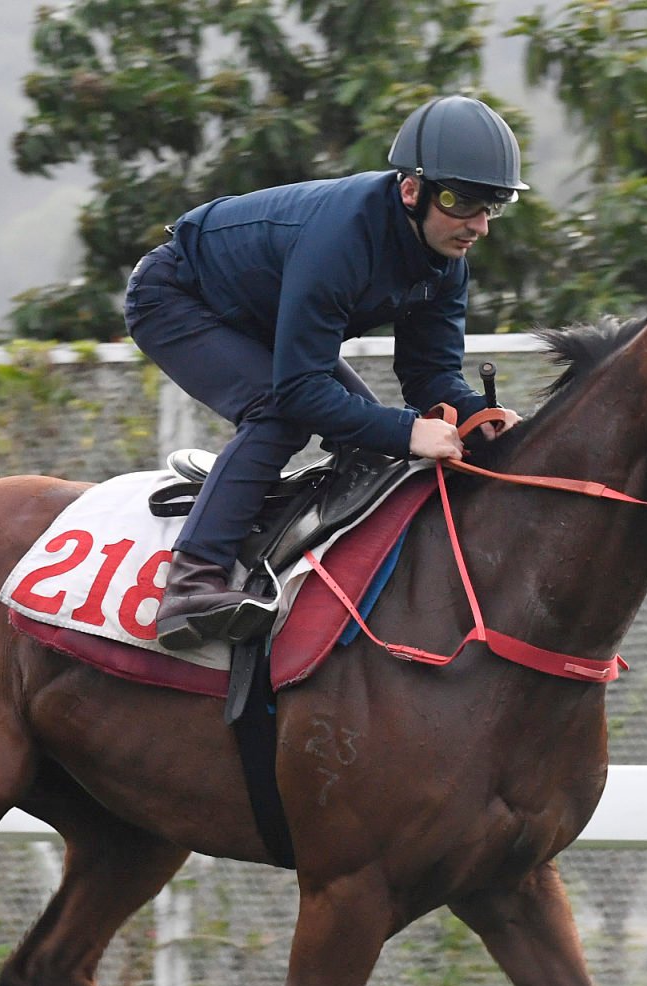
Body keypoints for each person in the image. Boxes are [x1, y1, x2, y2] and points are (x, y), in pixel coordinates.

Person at [124, 94, 528, 651]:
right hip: (176, 297)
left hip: (263, 316)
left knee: (371, 446)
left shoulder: (447, 260)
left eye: (493, 207)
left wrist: (477, 417)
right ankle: (192, 584)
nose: (478, 226)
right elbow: (297, 390)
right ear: (412, 190)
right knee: (278, 415)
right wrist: (409, 430)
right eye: (463, 203)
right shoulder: (341, 238)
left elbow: (430, 372)